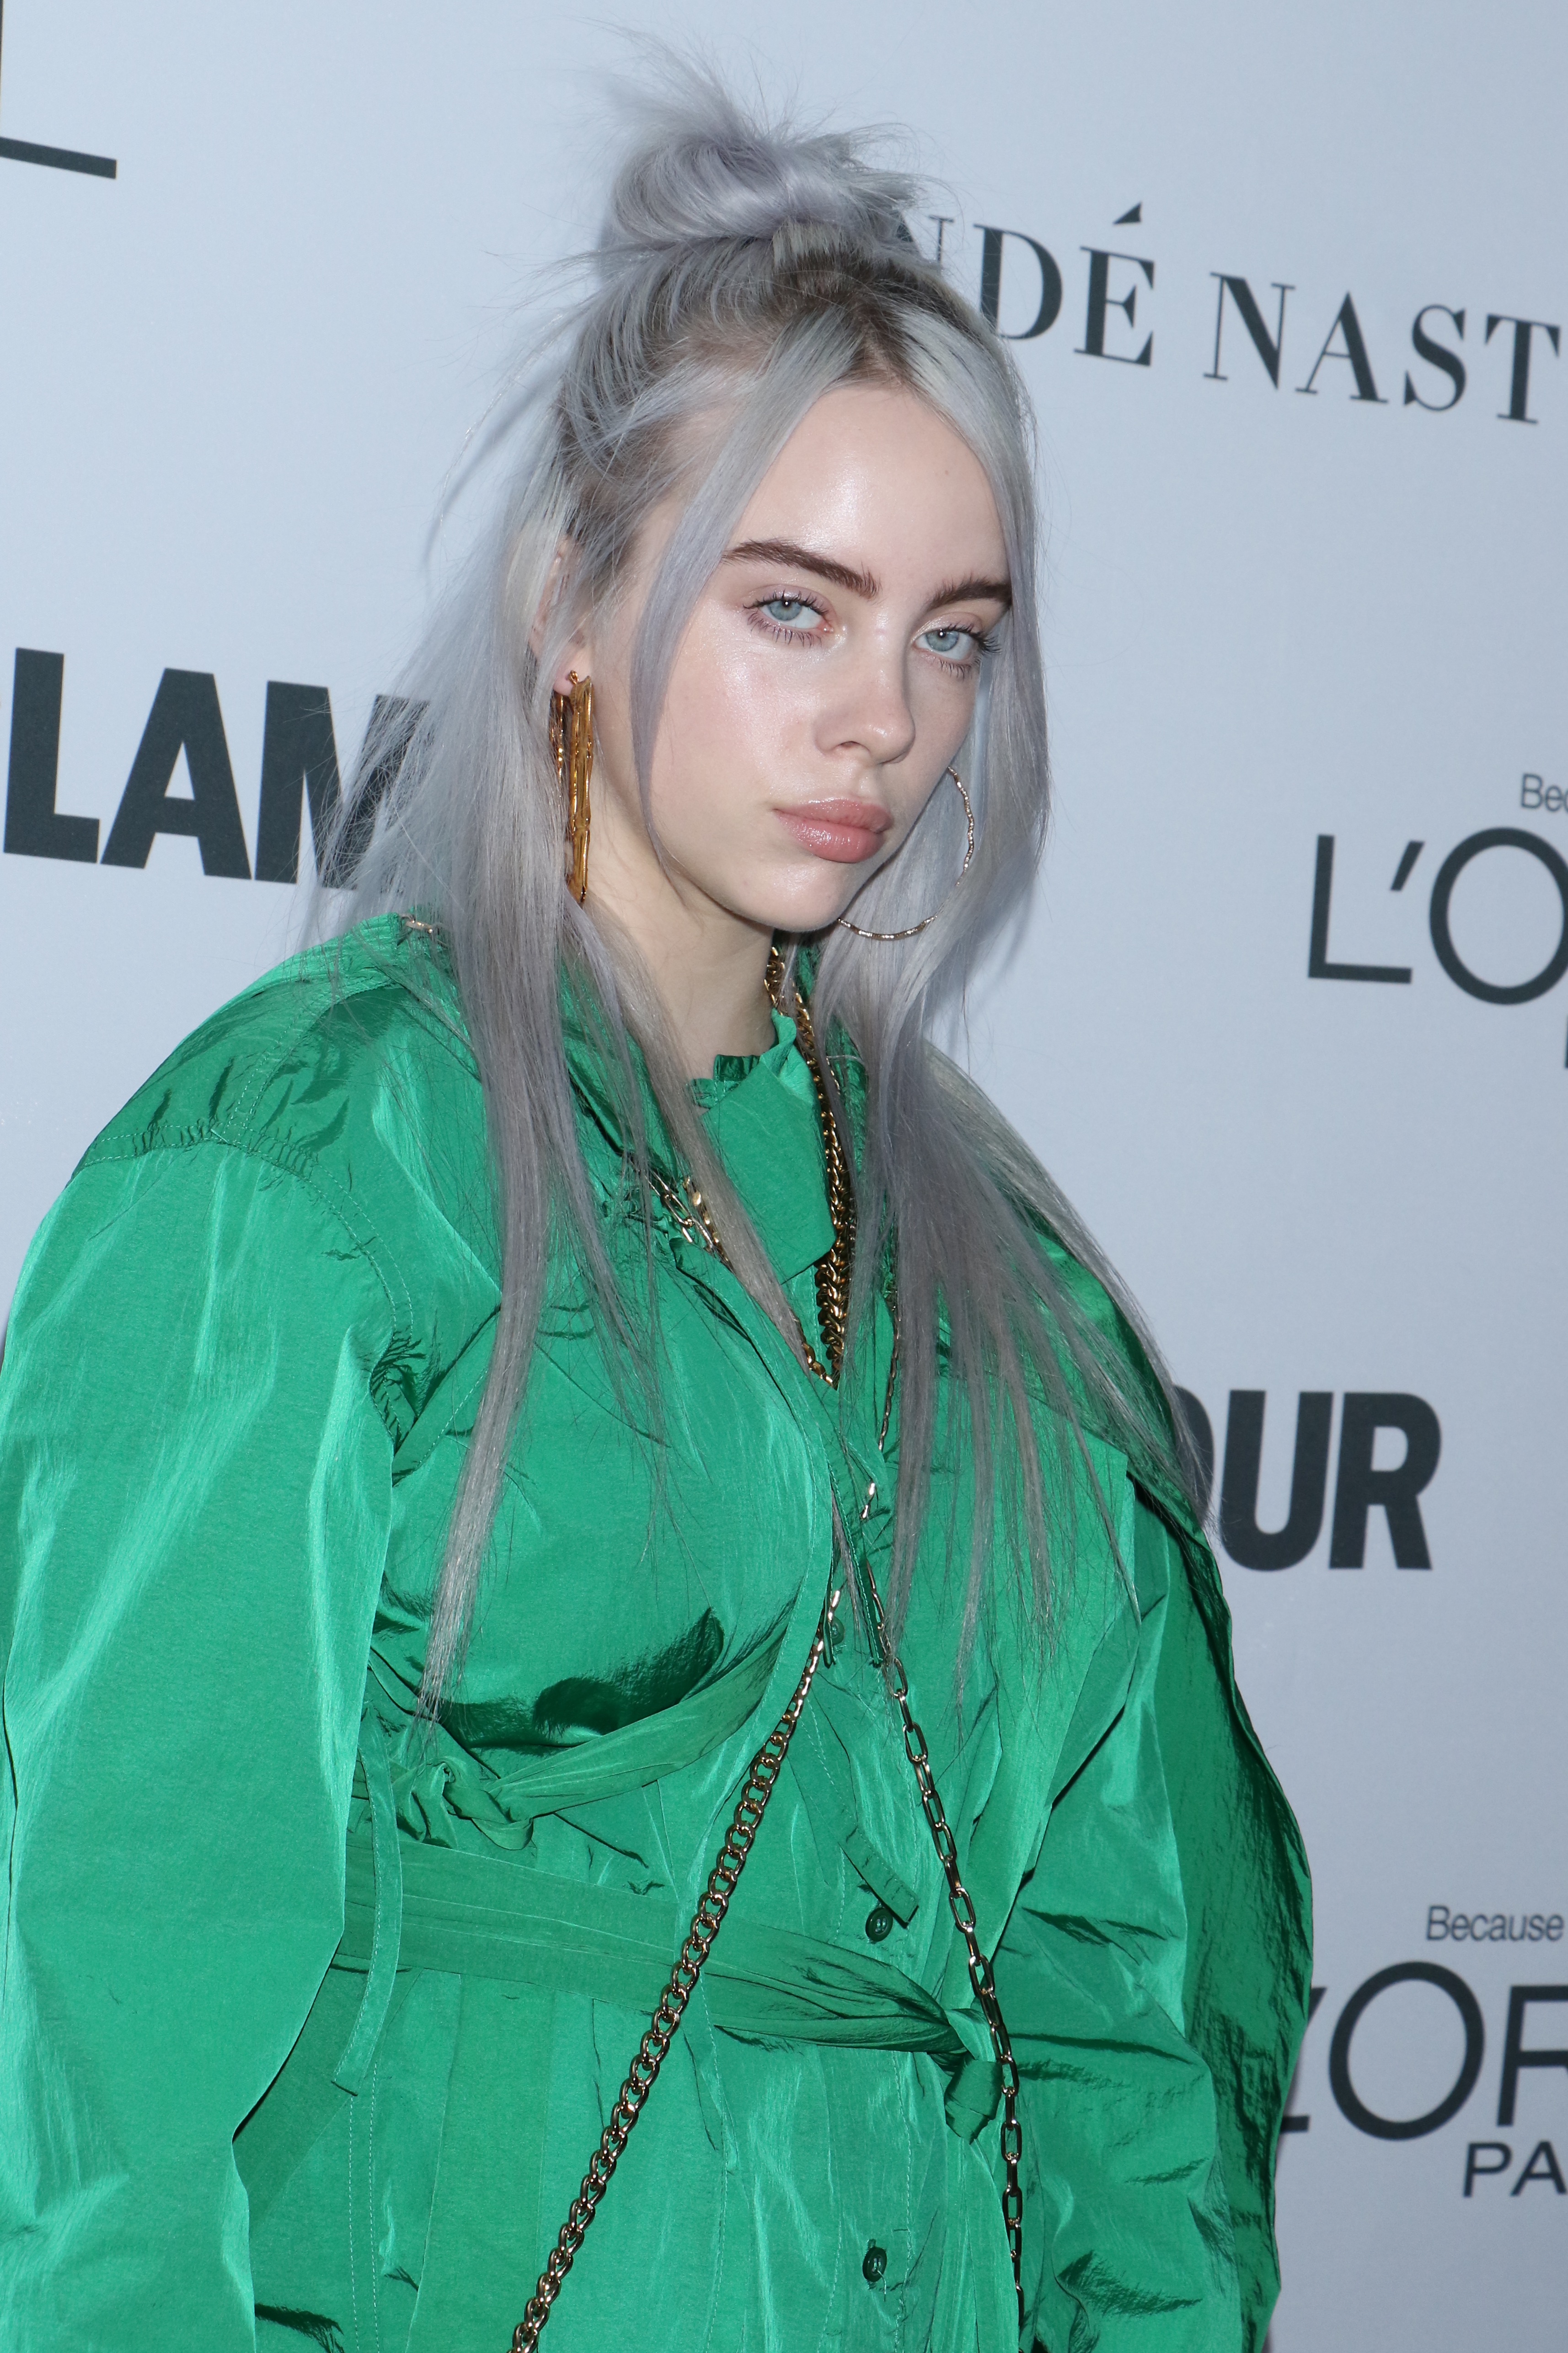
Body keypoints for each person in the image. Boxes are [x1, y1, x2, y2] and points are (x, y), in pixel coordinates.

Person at [0, 67, 1310, 2353]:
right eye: (795, 609)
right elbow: (98, 2036)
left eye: (955, 634)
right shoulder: (312, 1164)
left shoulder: (1012, 1273)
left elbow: (1141, 2021)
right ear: (574, 607)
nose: (886, 720)